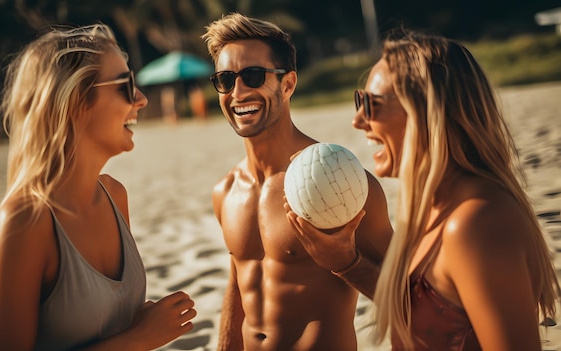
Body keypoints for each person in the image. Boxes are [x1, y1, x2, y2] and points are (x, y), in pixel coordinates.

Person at [286, 29, 560, 350]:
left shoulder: (476, 222)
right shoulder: (436, 207)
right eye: (359, 101)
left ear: (425, 112)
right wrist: (346, 262)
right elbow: (426, 309)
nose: (358, 121)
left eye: (371, 104)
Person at [0, 24, 196, 351]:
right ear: (77, 101)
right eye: (126, 85)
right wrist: (139, 338)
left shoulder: (115, 195)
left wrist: (141, 319)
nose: (141, 99)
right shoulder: (26, 220)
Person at [201, 13, 393, 350]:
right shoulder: (226, 190)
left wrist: (348, 263)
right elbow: (239, 284)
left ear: (287, 84)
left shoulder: (340, 183)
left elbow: (409, 296)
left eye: (253, 75)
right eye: (225, 79)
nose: (238, 91)